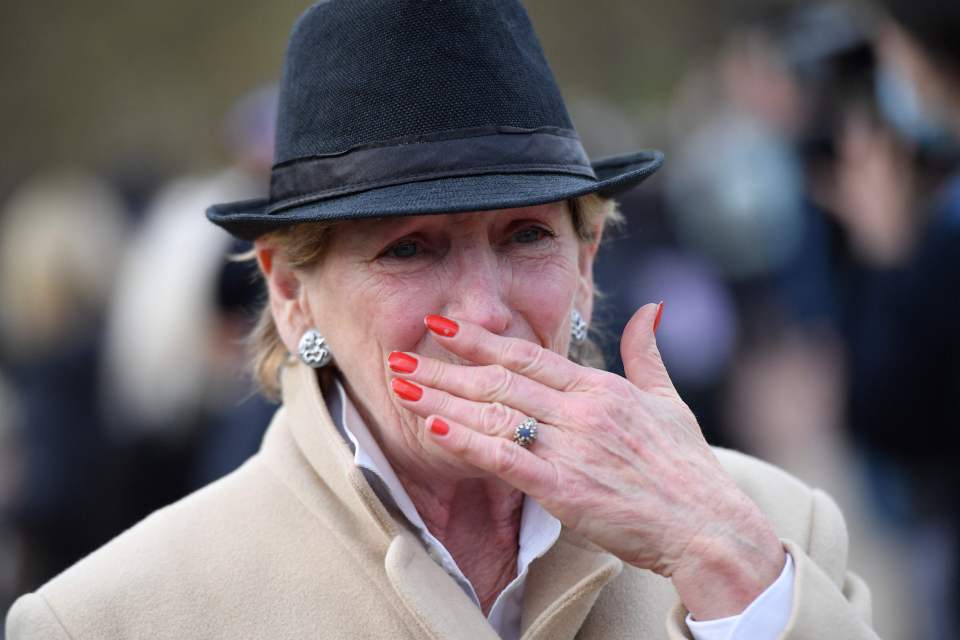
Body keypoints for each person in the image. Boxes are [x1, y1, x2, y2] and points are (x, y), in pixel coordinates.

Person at [6, 1, 879, 638]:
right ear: (289, 290)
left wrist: (731, 575)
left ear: (586, 264)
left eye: (527, 235)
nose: (484, 310)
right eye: (409, 250)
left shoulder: (774, 530)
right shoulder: (113, 618)